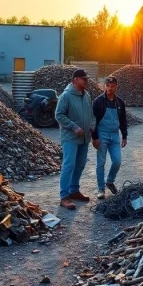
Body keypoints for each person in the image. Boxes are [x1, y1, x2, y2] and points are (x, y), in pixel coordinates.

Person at [54, 68, 94, 210]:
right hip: (70, 137)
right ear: (75, 80)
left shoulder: (86, 95)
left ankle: (74, 190)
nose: (86, 81)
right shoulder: (66, 96)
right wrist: (73, 127)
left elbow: (91, 113)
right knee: (69, 165)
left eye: (86, 78)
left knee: (80, 164)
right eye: (84, 79)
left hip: (84, 138)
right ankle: (64, 197)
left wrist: (92, 125)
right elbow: (59, 115)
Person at [92, 76, 128, 200]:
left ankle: (110, 181)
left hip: (115, 135)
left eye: (112, 86)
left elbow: (123, 120)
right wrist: (94, 137)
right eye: (108, 86)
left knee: (117, 161)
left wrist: (124, 135)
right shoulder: (98, 101)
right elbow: (93, 121)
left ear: (116, 87)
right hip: (102, 134)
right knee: (100, 163)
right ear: (104, 86)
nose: (110, 89)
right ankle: (101, 189)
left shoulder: (120, 103)